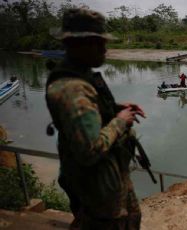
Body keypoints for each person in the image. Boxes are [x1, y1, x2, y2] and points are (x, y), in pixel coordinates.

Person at [45, 8, 145, 230]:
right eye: (99, 43)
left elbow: (89, 114)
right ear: (79, 44)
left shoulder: (80, 78)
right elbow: (89, 150)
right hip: (99, 194)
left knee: (131, 220)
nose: (105, 49)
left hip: (111, 181)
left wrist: (114, 108)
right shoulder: (72, 90)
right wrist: (120, 120)